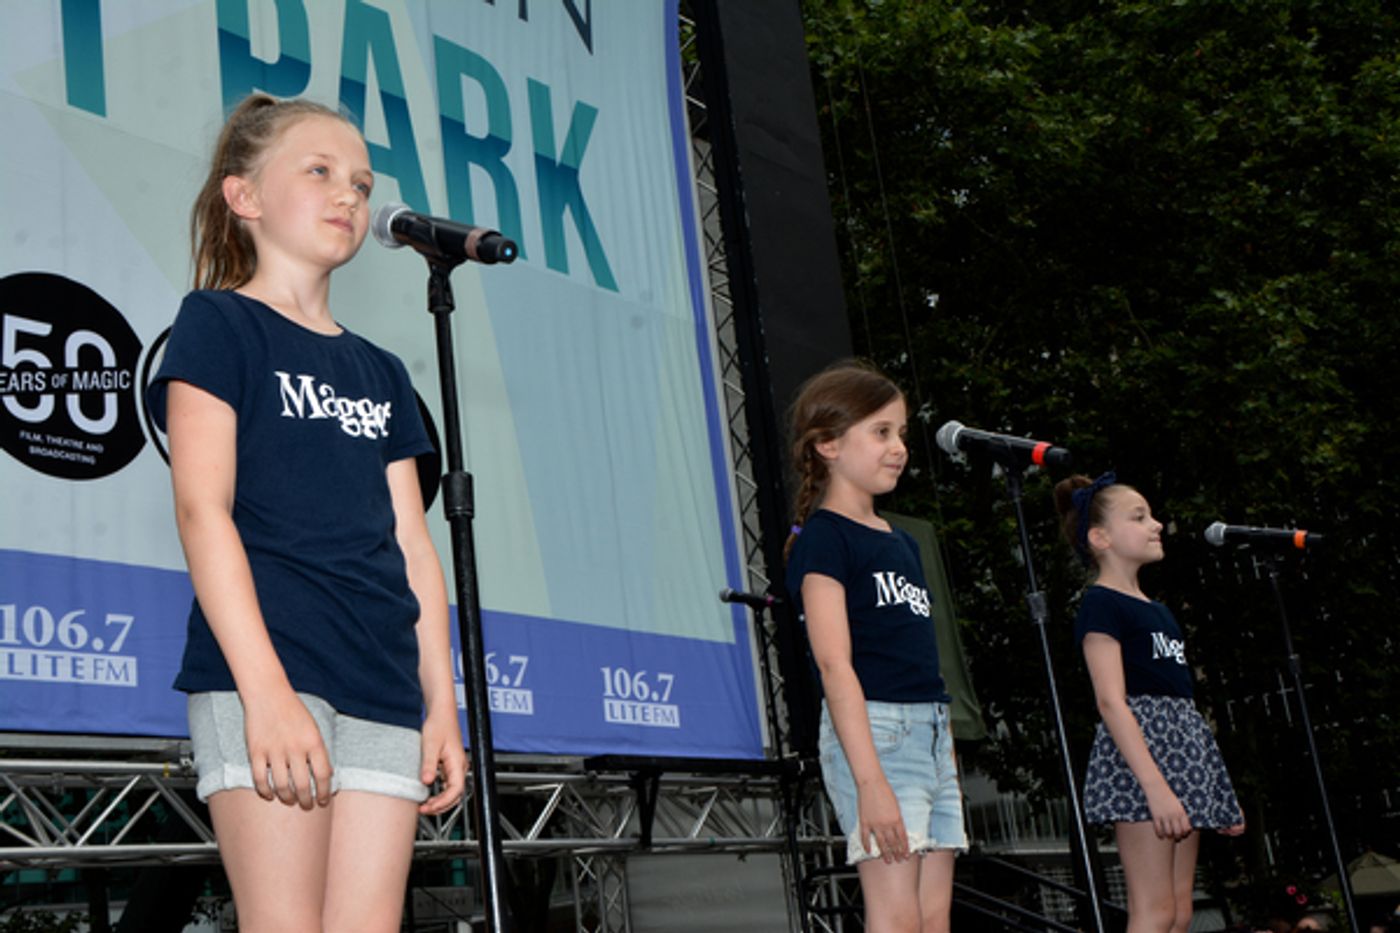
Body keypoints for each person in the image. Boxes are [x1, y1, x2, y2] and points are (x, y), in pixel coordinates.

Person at [147, 94, 467, 932]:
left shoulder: (382, 369)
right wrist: (267, 693)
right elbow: (201, 511)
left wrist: (443, 704)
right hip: (270, 666)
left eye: (361, 183)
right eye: (320, 171)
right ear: (243, 197)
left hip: (383, 681)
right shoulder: (217, 323)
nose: (349, 196)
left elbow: (413, 547)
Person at [784, 361, 966, 933]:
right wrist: (870, 783)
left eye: (902, 433)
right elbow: (835, 665)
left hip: (931, 733)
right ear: (828, 445)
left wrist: (946, 748)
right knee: (896, 917)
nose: (898, 448)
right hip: (876, 737)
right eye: (881, 432)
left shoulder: (904, 543)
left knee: (933, 919)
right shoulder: (824, 539)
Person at [1053, 472, 1245, 933]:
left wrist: (1217, 789)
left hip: (1183, 757)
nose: (1155, 524)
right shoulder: (1101, 603)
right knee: (1153, 911)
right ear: (1100, 537)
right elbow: (1111, 701)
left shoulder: (1158, 609)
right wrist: (1155, 787)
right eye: (1139, 517)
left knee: (1179, 911)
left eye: (1152, 515)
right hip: (1144, 764)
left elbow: (1183, 706)